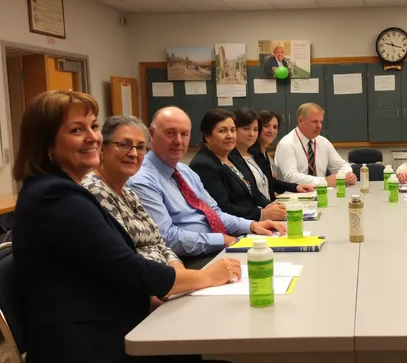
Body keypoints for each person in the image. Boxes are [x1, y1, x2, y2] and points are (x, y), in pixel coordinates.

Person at [11, 91, 242, 362]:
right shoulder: (55, 197)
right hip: (92, 344)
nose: (92, 137)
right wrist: (206, 277)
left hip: (115, 320)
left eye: (94, 126)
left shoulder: (63, 190)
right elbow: (130, 268)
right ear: (46, 142)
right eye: (77, 129)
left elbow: (139, 252)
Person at [128, 106, 285, 269]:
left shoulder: (185, 171)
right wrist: (223, 240)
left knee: (275, 261)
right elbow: (167, 238)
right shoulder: (142, 180)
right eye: (170, 133)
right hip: (186, 260)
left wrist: (252, 225)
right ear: (151, 135)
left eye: (184, 134)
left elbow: (215, 214)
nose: (179, 141)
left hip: (215, 247)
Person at [189, 108, 286, 221]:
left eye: (233, 130)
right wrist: (261, 214)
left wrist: (270, 205)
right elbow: (223, 208)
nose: (230, 135)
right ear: (207, 136)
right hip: (234, 229)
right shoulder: (204, 165)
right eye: (222, 131)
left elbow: (254, 192)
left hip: (252, 221)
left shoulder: (234, 158)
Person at [274, 102, 357, 187]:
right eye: (314, 122)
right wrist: (323, 181)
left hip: (321, 193)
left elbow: (341, 165)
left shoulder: (323, 142)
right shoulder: (287, 144)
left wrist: (347, 174)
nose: (319, 126)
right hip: (293, 195)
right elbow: (290, 177)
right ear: (301, 121)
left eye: (321, 122)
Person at [249, 110, 315, 200]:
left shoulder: (264, 152)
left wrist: (296, 187)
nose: (271, 131)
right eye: (266, 126)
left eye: (275, 127)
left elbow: (271, 182)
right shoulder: (252, 154)